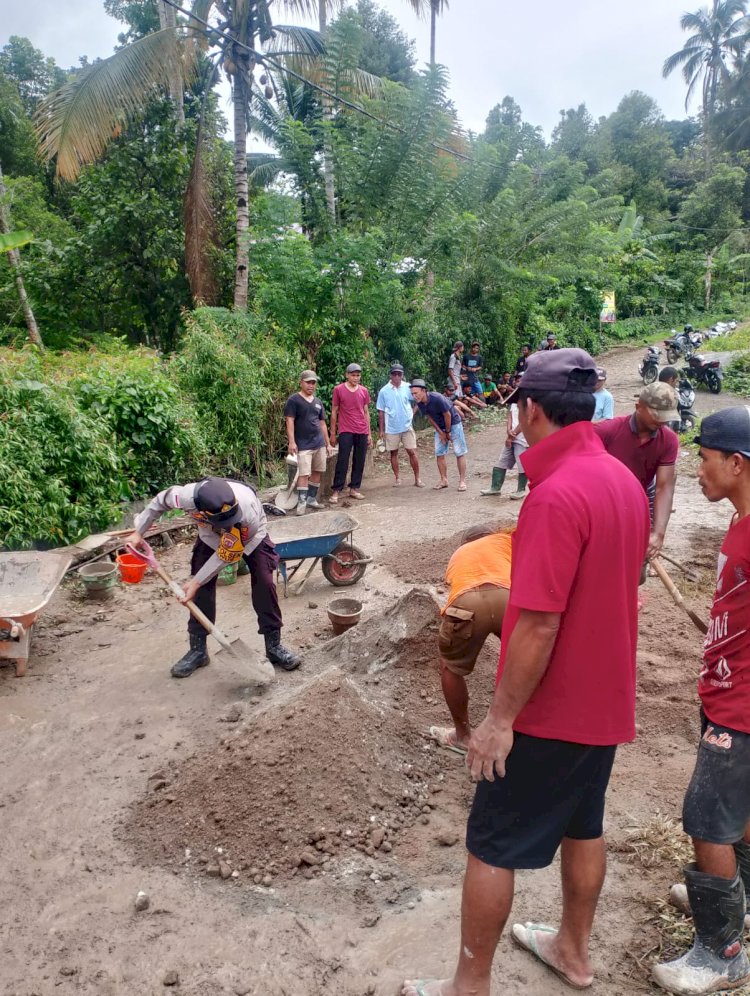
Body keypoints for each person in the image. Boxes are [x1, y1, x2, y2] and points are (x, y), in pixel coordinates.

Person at [401, 349, 649, 996]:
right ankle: (572, 950)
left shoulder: (555, 496)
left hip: (550, 710)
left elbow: (538, 622)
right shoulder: (622, 481)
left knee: (490, 842)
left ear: (530, 410)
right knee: (582, 825)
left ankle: (469, 987)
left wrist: (500, 719)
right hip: (606, 701)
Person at [653, 408, 750, 996]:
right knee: (738, 814)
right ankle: (737, 898)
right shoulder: (739, 520)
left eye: (705, 459)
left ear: (737, 463)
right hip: (726, 687)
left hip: (742, 705)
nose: (697, 471)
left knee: (705, 818)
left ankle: (722, 954)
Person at [128, 477, 300, 678]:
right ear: (201, 512)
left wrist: (195, 580)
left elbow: (228, 553)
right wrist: (138, 532)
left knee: (264, 583)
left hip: (251, 538)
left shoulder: (248, 512)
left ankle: (274, 647)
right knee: (200, 591)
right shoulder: (184, 497)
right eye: (222, 523)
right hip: (209, 538)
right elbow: (159, 502)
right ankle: (198, 651)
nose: (227, 527)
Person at [429, 525, 512, 755]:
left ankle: (463, 736)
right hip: (509, 596)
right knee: (524, 659)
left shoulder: (459, 554)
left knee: (450, 667)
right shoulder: (505, 541)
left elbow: (454, 585)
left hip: (467, 602)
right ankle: (522, 731)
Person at [593, 383, 679, 560]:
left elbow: (664, 487)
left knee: (636, 569)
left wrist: (658, 533)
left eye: (666, 417)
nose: (662, 421)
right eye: (657, 415)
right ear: (639, 407)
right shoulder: (607, 431)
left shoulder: (668, 440)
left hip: (638, 504)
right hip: (602, 505)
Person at [284, 371, 334, 516]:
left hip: (319, 443)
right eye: (308, 382)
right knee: (304, 474)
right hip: (303, 445)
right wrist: (292, 442)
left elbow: (323, 423)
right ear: (301, 382)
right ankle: (302, 502)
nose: (311, 385)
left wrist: (328, 443)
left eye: (313, 383)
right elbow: (289, 421)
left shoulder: (318, 402)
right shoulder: (294, 400)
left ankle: (311, 499)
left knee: (318, 471)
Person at [410, 378, 468, 492]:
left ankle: (462, 481)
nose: (414, 396)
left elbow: (448, 415)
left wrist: (447, 432)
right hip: (440, 427)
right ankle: (444, 480)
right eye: (412, 394)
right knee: (439, 453)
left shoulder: (437, 398)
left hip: (454, 424)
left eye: (416, 393)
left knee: (459, 452)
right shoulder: (420, 403)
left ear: (423, 390)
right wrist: (440, 432)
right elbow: (429, 418)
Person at [376, 363, 424, 487]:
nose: (397, 376)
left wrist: (412, 412)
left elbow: (419, 399)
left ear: (402, 375)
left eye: (399, 374)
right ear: (390, 375)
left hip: (407, 426)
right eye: (394, 374)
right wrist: (381, 430)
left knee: (412, 451)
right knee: (393, 453)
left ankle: (417, 479)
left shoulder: (408, 387)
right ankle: (397, 478)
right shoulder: (384, 391)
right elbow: (380, 411)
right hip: (391, 427)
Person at [330, 363, 371, 504]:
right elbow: (334, 411)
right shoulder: (338, 390)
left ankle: (354, 488)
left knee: (359, 460)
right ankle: (336, 490)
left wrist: (369, 433)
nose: (356, 378)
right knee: (342, 460)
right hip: (346, 430)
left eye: (358, 375)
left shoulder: (364, 391)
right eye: (353, 375)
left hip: (362, 430)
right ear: (347, 375)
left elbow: (366, 412)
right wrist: (333, 433)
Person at [480, 395, 528, 499]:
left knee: (522, 465)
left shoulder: (528, 402)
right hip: (512, 435)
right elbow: (510, 415)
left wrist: (511, 435)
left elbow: (524, 421)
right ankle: (495, 488)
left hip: (522, 439)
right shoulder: (514, 402)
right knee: (501, 462)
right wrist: (508, 430)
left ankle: (521, 490)